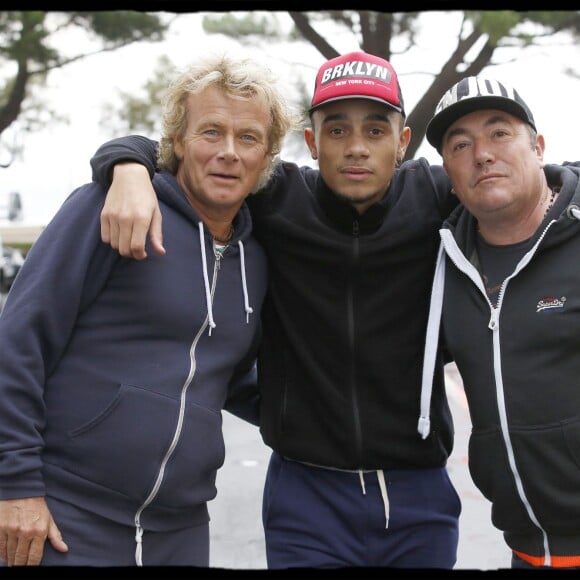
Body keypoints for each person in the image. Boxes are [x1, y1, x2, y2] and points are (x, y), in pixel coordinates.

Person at [90, 51, 462, 569]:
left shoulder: (438, 195)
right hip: (306, 495)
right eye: (336, 131)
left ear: (402, 141)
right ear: (310, 142)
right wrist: (126, 167)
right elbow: (173, 150)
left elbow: (536, 178)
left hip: (420, 492)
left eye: (376, 131)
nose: (356, 148)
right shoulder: (277, 198)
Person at [0, 53, 298, 567]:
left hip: (180, 531)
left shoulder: (259, 257)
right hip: (67, 516)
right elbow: (18, 343)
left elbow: (225, 375)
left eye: (248, 137)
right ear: (178, 141)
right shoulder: (109, 210)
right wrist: (14, 483)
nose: (228, 152)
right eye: (211, 132)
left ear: (267, 154)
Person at [417, 76, 580, 570]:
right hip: (528, 551)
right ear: (447, 169)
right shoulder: (445, 261)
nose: (482, 154)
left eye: (499, 133)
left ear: (539, 146)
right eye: (460, 144)